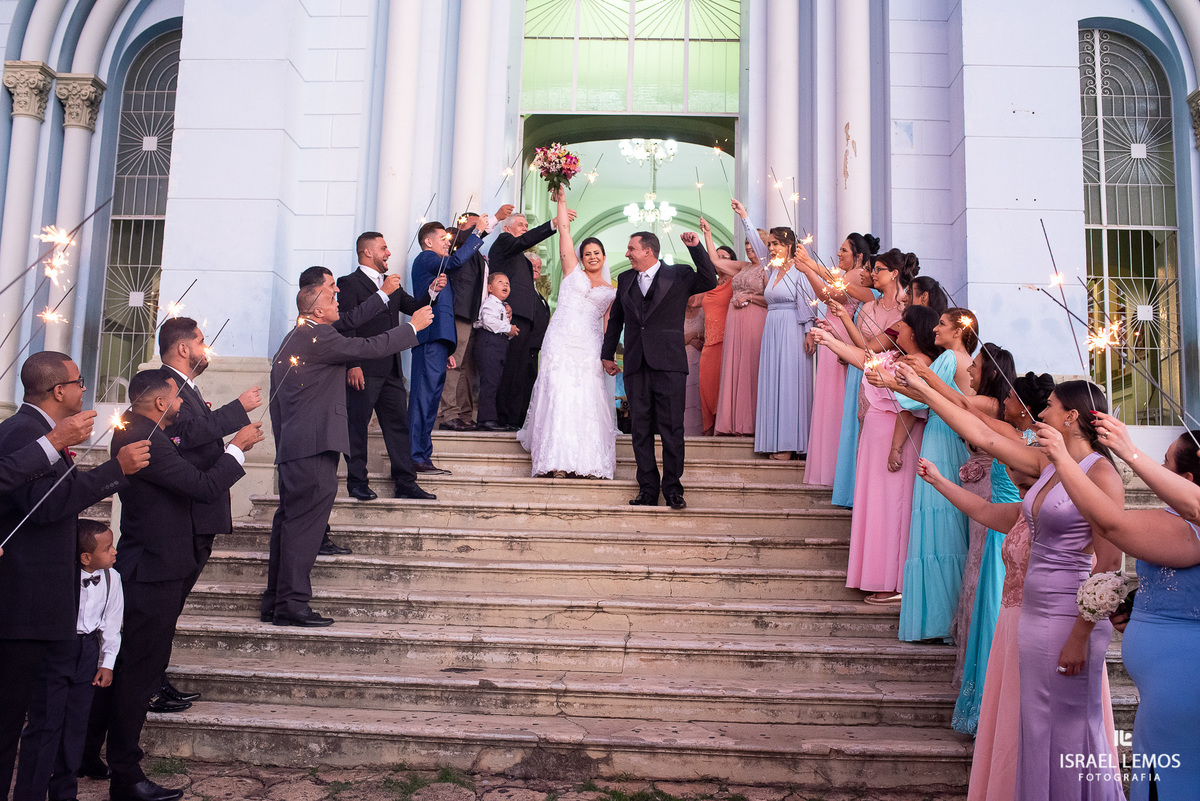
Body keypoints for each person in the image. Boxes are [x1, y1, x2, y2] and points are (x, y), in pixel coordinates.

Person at [894, 365, 1125, 800]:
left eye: (1052, 407)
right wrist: (923, 391)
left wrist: (1080, 636)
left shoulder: (1102, 476)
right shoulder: (1050, 463)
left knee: (1071, 728)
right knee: (1035, 728)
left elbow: (1109, 565)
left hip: (1066, 617)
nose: (1042, 414)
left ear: (1072, 417)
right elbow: (983, 437)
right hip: (1031, 616)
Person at [104, 368, 260, 801]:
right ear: (158, 402)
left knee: (128, 668)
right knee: (138, 673)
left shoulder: (149, 430)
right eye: (176, 399)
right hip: (152, 569)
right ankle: (125, 775)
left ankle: (88, 755)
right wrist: (236, 450)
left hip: (157, 563)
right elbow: (202, 487)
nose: (181, 406)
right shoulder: (144, 437)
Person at [0, 352, 149, 801]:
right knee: (8, 722)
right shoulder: (23, 433)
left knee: (46, 716)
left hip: (44, 602)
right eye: (79, 381)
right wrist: (114, 471)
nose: (85, 388)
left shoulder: (40, 432)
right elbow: (46, 508)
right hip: (23, 601)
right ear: (59, 390)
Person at [262, 282, 433, 627]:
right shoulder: (318, 338)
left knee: (290, 524)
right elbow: (370, 346)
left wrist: (383, 296)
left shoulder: (299, 336)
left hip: (298, 447)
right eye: (331, 298)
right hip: (313, 448)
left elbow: (351, 323)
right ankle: (292, 604)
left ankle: (276, 601)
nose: (337, 300)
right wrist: (412, 327)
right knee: (303, 529)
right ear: (317, 311)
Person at [1055, 414, 1200, 801]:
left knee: (1177, 778)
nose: (1159, 468)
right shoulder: (1176, 521)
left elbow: (1111, 526)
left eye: (1166, 462)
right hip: (1162, 686)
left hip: (1184, 685)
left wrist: (1063, 459)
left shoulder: (1193, 525)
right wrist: (1140, 609)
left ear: (1186, 481)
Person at [155, 316, 262, 711]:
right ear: (183, 348)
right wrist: (238, 412)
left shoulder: (187, 387)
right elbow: (182, 437)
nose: (206, 349)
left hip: (203, 509)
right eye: (201, 342)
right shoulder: (166, 386)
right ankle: (149, 682)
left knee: (173, 608)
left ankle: (156, 677)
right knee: (165, 609)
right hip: (189, 510)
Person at [813, 304, 941, 604]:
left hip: (894, 441)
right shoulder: (898, 356)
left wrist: (896, 448)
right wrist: (831, 340)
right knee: (876, 506)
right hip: (876, 438)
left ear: (914, 331)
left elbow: (911, 407)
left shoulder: (920, 362)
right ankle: (874, 574)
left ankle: (892, 580)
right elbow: (867, 360)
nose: (898, 328)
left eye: (904, 325)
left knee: (891, 508)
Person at [874, 308, 974, 643]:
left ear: (958, 331)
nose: (935, 328)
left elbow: (931, 398)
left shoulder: (950, 359)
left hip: (943, 438)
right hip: (946, 435)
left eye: (942, 324)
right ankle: (943, 617)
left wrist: (890, 381)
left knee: (941, 525)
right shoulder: (959, 359)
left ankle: (940, 620)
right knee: (943, 524)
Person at [602, 230, 718, 509]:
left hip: (669, 363)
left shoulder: (678, 274)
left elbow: (709, 279)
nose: (627, 253)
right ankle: (648, 489)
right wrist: (607, 355)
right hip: (635, 362)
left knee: (671, 428)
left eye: (631, 249)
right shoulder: (626, 279)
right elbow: (616, 318)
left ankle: (673, 489)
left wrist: (695, 247)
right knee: (640, 429)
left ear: (648, 251)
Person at [12, 520, 122, 801]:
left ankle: (64, 793)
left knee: (75, 726)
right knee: (45, 724)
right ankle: (30, 794)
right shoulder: (61, 578)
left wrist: (107, 661)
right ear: (86, 557)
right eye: (107, 548)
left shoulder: (113, 578)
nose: (114, 552)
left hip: (87, 653)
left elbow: (112, 622)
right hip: (57, 651)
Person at [518, 190, 617, 479]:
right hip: (560, 340)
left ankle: (587, 461)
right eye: (587, 253)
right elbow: (564, 230)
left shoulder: (612, 291)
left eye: (597, 253)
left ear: (604, 257)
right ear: (580, 257)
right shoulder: (572, 271)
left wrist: (607, 355)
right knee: (559, 393)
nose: (592, 257)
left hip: (589, 344)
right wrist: (561, 200)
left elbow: (609, 325)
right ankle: (556, 461)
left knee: (585, 396)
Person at [797, 232, 880, 486]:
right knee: (830, 399)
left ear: (859, 256)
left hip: (844, 333)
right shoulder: (846, 275)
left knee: (835, 400)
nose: (839, 253)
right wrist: (809, 268)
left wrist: (810, 268)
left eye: (844, 250)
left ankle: (832, 467)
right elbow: (827, 293)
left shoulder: (855, 275)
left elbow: (832, 295)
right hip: (834, 329)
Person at [490, 207, 572, 428]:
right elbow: (522, 242)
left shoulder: (518, 256)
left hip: (525, 317)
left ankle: (515, 419)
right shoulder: (504, 242)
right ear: (506, 229)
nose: (525, 229)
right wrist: (553, 224)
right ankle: (503, 417)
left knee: (519, 371)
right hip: (512, 313)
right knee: (509, 370)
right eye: (521, 225)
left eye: (526, 226)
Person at [440, 206, 514, 431]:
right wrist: (494, 219)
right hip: (460, 312)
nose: (480, 228)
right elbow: (464, 239)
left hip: (475, 316)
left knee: (467, 369)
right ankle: (447, 413)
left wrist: (502, 305)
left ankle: (464, 413)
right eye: (475, 224)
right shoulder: (455, 240)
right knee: (454, 365)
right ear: (462, 226)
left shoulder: (475, 250)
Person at [473, 272, 519, 431]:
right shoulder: (489, 303)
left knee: (496, 381)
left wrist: (510, 332)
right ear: (490, 288)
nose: (506, 285)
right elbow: (488, 321)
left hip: (499, 345)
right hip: (488, 343)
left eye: (507, 283)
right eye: (501, 282)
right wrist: (508, 328)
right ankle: (485, 419)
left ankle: (492, 416)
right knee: (489, 382)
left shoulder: (502, 306)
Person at [683, 295, 705, 436]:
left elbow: (712, 328)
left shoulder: (704, 310)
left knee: (699, 395)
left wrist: (694, 334)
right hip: (681, 358)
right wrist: (691, 338)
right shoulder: (676, 311)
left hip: (701, 357)